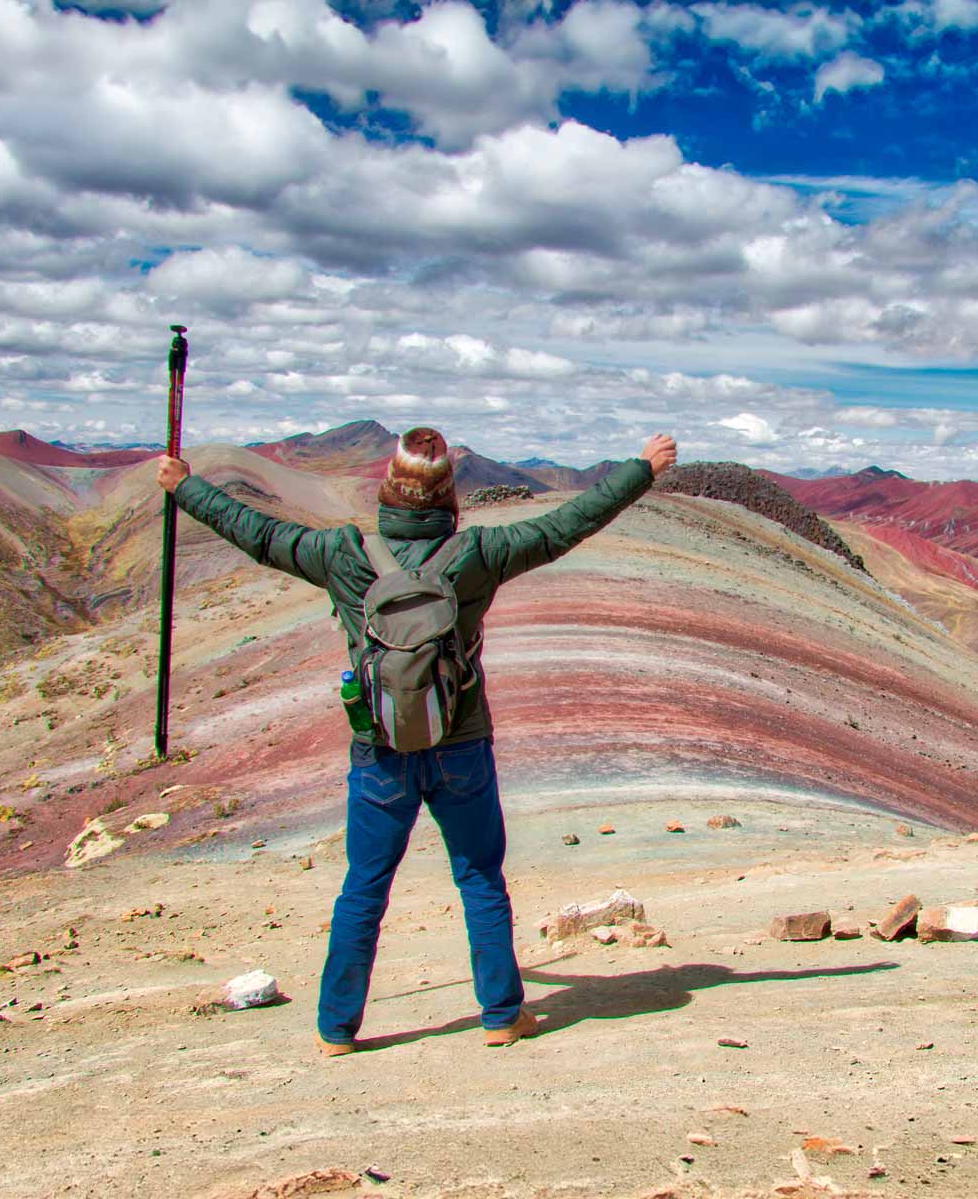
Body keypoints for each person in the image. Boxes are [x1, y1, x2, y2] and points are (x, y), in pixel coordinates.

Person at [157, 427, 677, 1055]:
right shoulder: (479, 553)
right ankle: (501, 1015)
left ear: (387, 493)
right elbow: (566, 524)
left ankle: (336, 1028)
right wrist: (640, 470)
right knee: (480, 877)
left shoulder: (340, 554)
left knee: (365, 886)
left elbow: (259, 534)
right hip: (461, 744)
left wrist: (185, 488)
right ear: (447, 501)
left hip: (379, 752)